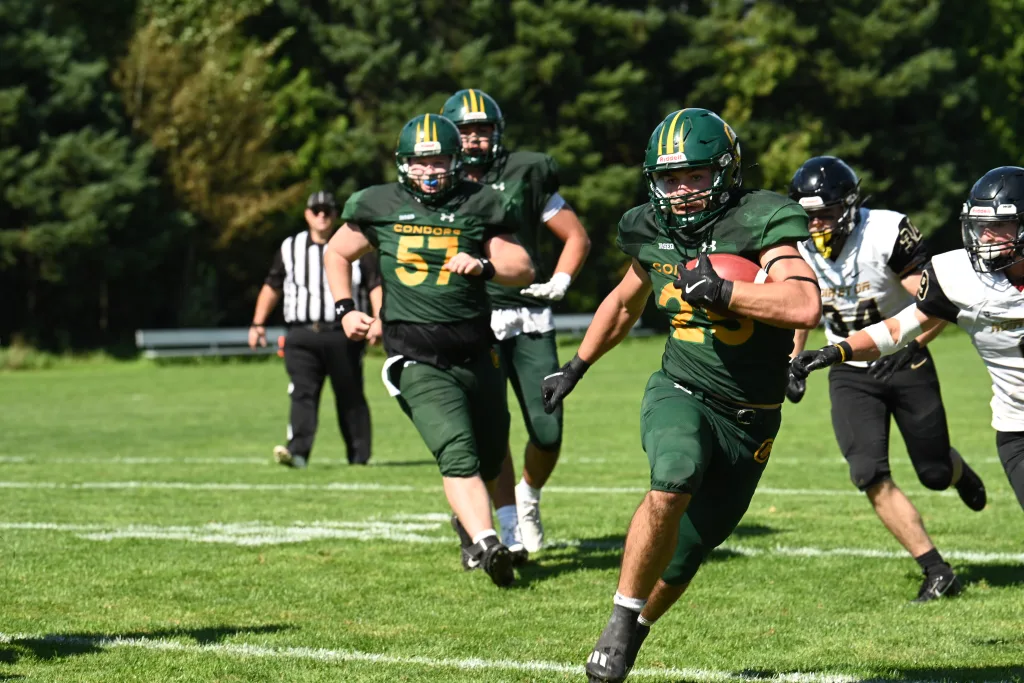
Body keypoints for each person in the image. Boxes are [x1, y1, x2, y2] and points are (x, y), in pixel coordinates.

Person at [541, 108, 821, 683]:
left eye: (695, 176)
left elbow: (802, 306)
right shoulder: (648, 227)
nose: (682, 190)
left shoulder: (762, 218)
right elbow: (624, 302)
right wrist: (577, 364)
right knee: (674, 472)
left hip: (751, 418)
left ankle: (636, 629)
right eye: (670, 179)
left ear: (725, 170)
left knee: (688, 552)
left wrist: (725, 290)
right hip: (681, 387)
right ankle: (619, 620)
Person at [323, 113, 535, 587]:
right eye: (420, 163)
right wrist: (344, 309)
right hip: (415, 352)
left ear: (456, 161)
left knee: (490, 448)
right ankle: (488, 544)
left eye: (438, 159)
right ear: (403, 166)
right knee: (456, 452)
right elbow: (337, 252)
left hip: (478, 349)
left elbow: (521, 266)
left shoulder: (480, 202)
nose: (430, 170)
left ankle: (471, 525)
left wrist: (483, 264)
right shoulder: (379, 203)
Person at [786, 156, 986, 603]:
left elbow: (935, 300)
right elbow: (799, 307)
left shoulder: (883, 232)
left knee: (933, 472)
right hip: (849, 368)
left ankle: (956, 471)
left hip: (905, 358)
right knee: (867, 471)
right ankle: (936, 569)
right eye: (809, 213)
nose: (816, 222)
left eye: (826, 211)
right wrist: (794, 360)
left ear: (850, 205)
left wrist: (916, 345)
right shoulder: (796, 245)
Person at [792, 165, 1024, 522]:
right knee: (885, 469)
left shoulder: (882, 232)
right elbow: (900, 328)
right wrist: (835, 351)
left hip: (931, 380)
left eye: (999, 226)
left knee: (934, 469)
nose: (986, 237)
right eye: (980, 225)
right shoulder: (959, 274)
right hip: (1017, 425)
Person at [441, 88, 591, 553]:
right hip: (471, 316)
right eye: (465, 130)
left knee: (547, 429)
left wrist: (562, 279)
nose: (474, 139)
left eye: (482, 129)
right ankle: (503, 522)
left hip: (527, 313)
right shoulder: (437, 182)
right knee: (490, 426)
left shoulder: (525, 173)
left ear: (497, 133)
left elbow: (576, 237)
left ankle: (527, 496)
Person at [249, 190, 382, 469]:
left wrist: (378, 320)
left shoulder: (355, 244)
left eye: (328, 210)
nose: (322, 215)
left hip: (342, 333)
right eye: (316, 210)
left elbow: (374, 284)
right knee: (302, 392)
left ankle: (359, 457)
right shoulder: (290, 247)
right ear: (307, 214)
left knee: (349, 393)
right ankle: (297, 452)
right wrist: (258, 323)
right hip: (302, 333)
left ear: (335, 215)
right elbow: (272, 284)